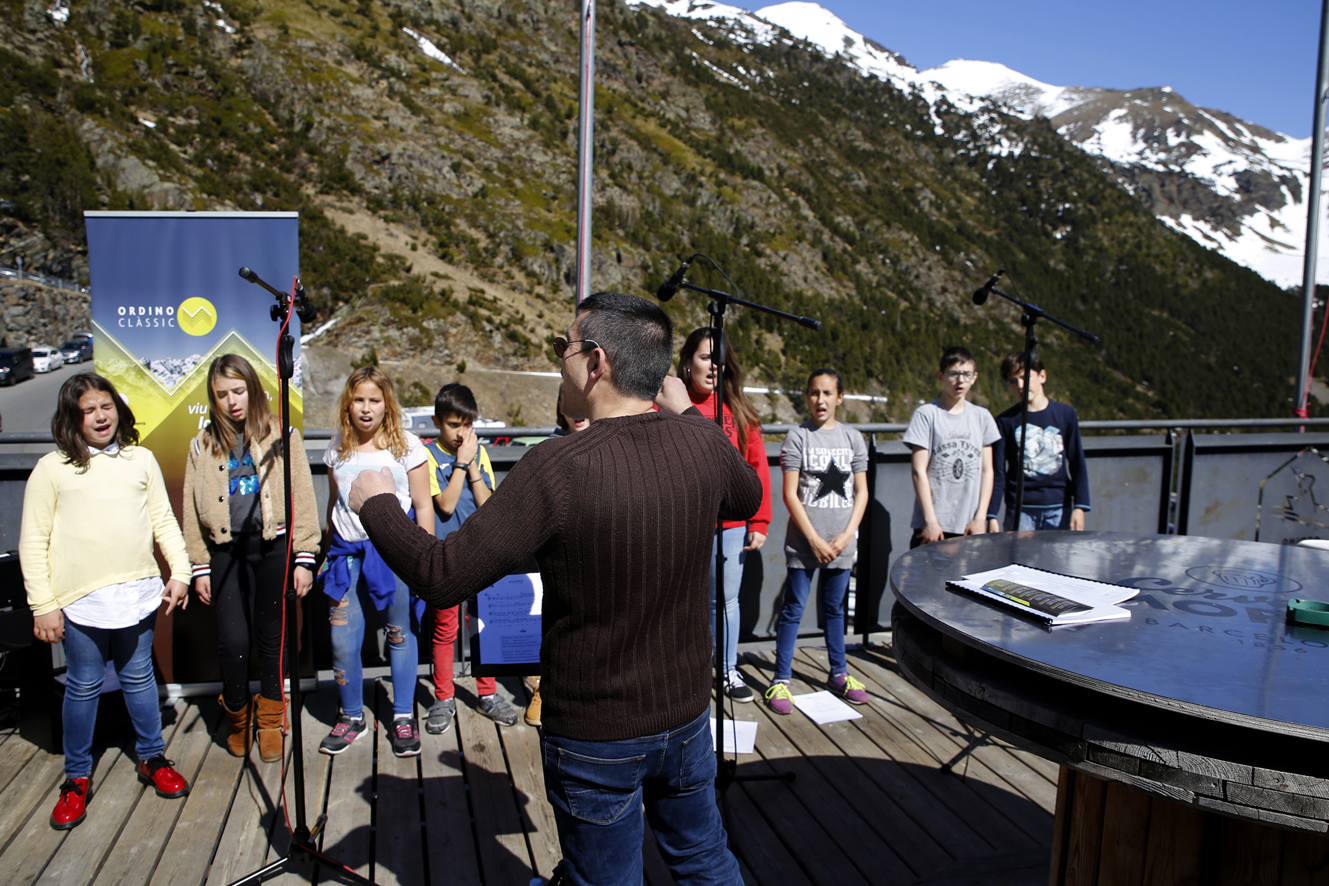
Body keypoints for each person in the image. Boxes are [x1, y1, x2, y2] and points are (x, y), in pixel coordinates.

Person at [348, 292, 761, 886]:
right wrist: (689, 414)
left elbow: (443, 576)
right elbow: (746, 495)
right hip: (687, 717)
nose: (559, 362)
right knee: (703, 861)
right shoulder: (698, 443)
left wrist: (377, 505)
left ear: (596, 363)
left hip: (596, 735)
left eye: (563, 349)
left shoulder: (557, 467)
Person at [20, 373, 192, 830]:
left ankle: (152, 757)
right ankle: (76, 777)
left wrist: (180, 572)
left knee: (138, 679)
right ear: (72, 419)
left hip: (136, 595)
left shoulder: (141, 459)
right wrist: (43, 605)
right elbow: (33, 542)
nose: (100, 416)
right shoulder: (51, 469)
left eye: (106, 406)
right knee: (84, 684)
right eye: (88, 410)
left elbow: (164, 521)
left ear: (118, 408)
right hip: (79, 603)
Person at [182, 354, 321, 762]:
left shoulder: (283, 435)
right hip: (226, 555)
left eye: (239, 391)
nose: (232, 401)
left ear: (253, 390)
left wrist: (304, 556)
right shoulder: (202, 444)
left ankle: (271, 719)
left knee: (272, 638)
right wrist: (199, 565)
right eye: (222, 394)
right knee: (234, 641)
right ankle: (238, 716)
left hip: (273, 548)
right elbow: (192, 511)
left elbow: (303, 498)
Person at [319, 367, 434, 758]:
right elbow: (336, 503)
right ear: (347, 404)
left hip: (394, 554)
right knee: (342, 640)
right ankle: (351, 716)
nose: (365, 409)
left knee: (399, 634)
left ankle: (403, 715)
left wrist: (425, 561)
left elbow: (422, 506)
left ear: (387, 404)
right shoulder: (337, 448)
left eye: (374, 400)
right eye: (358, 400)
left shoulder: (408, 448)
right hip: (347, 554)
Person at [766, 369, 871, 714]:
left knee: (835, 609)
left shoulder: (854, 439)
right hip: (804, 544)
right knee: (794, 609)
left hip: (841, 544)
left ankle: (838, 673)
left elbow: (862, 492)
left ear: (840, 397)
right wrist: (813, 539)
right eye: (814, 393)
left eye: (827, 393)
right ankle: (781, 678)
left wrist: (845, 536)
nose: (820, 400)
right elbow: (790, 493)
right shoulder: (797, 437)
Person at [677, 327, 772, 703]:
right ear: (687, 362)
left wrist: (759, 520)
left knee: (726, 601)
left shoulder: (738, 409)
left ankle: (727, 670)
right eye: (704, 358)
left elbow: (758, 466)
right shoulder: (668, 404)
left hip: (731, 526)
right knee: (684, 601)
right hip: (684, 525)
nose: (713, 367)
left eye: (719, 360)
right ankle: (689, 673)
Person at [421, 383, 518, 734]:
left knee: (483, 626)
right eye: (453, 425)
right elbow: (444, 504)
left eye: (467, 425)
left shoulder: (479, 454)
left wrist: (473, 465)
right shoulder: (429, 456)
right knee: (445, 629)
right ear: (437, 422)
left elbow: (487, 504)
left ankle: (488, 693)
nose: (461, 433)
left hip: (479, 554)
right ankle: (444, 697)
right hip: (446, 556)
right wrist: (461, 463)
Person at [524, 388, 591, 729]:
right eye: (568, 402)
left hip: (596, 554)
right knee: (554, 618)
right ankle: (544, 687)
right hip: (559, 555)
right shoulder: (549, 448)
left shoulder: (610, 440)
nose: (576, 410)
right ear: (560, 406)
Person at [904, 346, 1000, 547]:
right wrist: (930, 520)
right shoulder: (927, 415)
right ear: (940, 376)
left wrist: (981, 517)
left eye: (966, 374)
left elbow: (987, 470)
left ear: (974, 377)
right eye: (954, 374)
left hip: (969, 525)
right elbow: (918, 471)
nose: (960, 380)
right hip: (933, 526)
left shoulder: (982, 417)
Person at [987, 352, 1091, 531]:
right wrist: (992, 514)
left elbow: (1077, 463)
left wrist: (1080, 506)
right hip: (1020, 511)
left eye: (1024, 377)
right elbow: (998, 471)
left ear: (1042, 376)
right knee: (1020, 559)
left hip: (1059, 508)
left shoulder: (1065, 415)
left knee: (1058, 559)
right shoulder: (1006, 421)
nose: (1020, 385)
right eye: (1013, 381)